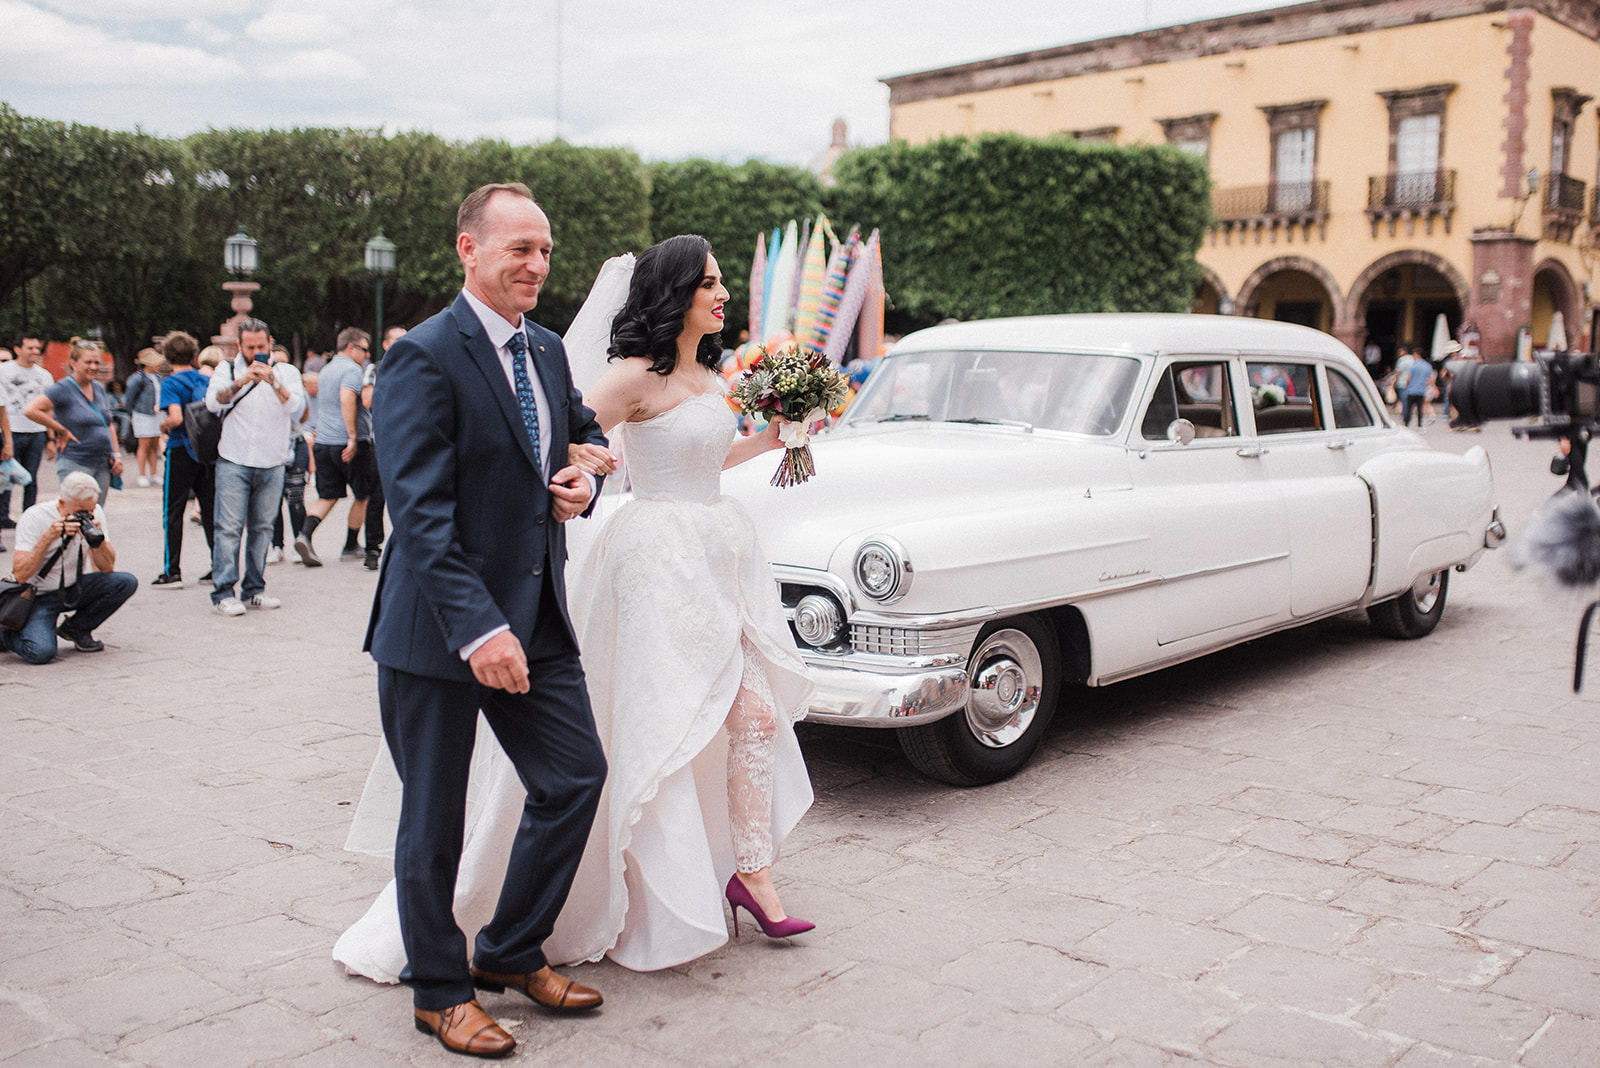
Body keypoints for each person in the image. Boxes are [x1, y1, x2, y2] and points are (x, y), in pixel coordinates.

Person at [332, 235, 814, 1001]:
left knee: (738, 719)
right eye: (710, 283)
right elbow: (552, 445)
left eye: (725, 283)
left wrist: (781, 436)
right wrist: (572, 478)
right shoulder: (621, 373)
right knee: (641, 734)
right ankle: (477, 970)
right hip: (650, 565)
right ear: (675, 291)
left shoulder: (706, 372)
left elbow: (652, 453)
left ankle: (736, 875)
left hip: (717, 556)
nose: (724, 296)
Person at [352, 182, 610, 1058]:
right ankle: (438, 991)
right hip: (439, 631)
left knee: (576, 776)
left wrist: (587, 480)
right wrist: (478, 630)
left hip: (535, 612)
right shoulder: (422, 356)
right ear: (469, 249)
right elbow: (417, 514)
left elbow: (579, 439)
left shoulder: (546, 350)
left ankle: (507, 949)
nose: (537, 265)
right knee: (435, 817)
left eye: (544, 249)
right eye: (519, 250)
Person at [205, 320, 307, 616]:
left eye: (261, 347)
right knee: (229, 529)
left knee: (262, 529)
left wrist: (274, 381)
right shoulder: (227, 370)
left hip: (272, 461)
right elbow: (212, 403)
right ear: (239, 345)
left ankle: (254, 589)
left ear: (270, 342)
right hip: (234, 460)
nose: (256, 352)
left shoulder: (287, 372)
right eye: (250, 347)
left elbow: (298, 410)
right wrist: (242, 381)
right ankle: (223, 592)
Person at [1, 470, 138, 663]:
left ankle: (76, 628)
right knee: (41, 652)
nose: (88, 515)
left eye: (90, 510)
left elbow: (107, 568)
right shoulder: (35, 517)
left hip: (74, 588)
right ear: (63, 503)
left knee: (124, 582)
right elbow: (21, 575)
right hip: (37, 596)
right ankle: (5, 635)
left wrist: (96, 541)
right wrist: (48, 538)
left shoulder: (95, 512)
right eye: (82, 511)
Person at [294, 328, 374, 567]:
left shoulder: (326, 369)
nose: (366, 354)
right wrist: (352, 436)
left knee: (327, 495)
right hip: (348, 443)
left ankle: (304, 536)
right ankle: (350, 545)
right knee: (364, 495)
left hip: (324, 441)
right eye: (363, 349)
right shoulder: (351, 370)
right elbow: (346, 398)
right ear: (351, 347)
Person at [24, 340, 124, 505]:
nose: (93, 367)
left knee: (96, 514)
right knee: (74, 513)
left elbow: (107, 423)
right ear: (73, 363)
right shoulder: (63, 388)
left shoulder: (98, 387)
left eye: (97, 362)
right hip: (76, 462)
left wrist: (116, 454)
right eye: (88, 362)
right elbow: (31, 410)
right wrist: (60, 430)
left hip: (102, 463)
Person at [152, 333, 216, 589]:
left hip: (180, 449)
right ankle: (218, 565)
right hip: (205, 451)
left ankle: (172, 570)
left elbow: (176, 417)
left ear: (167, 356)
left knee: (173, 510)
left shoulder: (170, 383)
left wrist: (163, 425)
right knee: (210, 511)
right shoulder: (204, 379)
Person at [0, 335, 53, 529]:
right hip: (11, 430)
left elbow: (49, 409)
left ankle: (29, 516)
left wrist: (51, 438)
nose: (35, 352)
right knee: (6, 476)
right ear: (17, 349)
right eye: (30, 348)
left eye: (37, 348)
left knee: (30, 477)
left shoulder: (44, 375)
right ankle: (3, 515)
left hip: (36, 431)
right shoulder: (4, 371)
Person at [125, 350, 165, 487]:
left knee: (154, 445)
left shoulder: (158, 377)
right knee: (144, 445)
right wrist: (131, 414)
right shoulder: (137, 379)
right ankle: (142, 474)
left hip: (156, 415)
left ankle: (153, 473)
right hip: (142, 414)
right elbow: (129, 399)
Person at [1401, 352, 1433, 428]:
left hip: (1411, 390)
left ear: (1418, 355)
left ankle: (1407, 423)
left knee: (1409, 408)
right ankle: (1420, 424)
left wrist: (1407, 386)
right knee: (1420, 408)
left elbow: (1408, 378)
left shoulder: (1413, 366)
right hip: (1421, 390)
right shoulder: (1427, 366)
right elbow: (1430, 379)